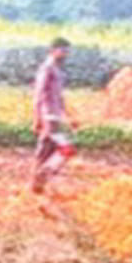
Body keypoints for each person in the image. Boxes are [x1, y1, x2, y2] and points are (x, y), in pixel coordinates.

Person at [31, 37, 78, 194]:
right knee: (67, 149)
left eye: (67, 51)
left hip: (55, 116)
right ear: (53, 50)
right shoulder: (47, 69)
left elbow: (59, 97)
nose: (65, 54)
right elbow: (39, 94)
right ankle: (41, 176)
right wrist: (37, 117)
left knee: (46, 152)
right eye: (63, 51)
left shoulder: (57, 70)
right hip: (48, 116)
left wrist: (69, 117)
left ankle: (39, 187)